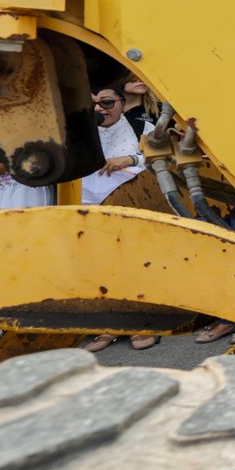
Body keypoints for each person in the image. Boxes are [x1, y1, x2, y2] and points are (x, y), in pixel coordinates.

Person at [79, 87, 151, 350]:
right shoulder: (81, 133)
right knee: (100, 266)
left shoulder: (141, 126)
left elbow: (161, 158)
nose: (101, 109)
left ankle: (142, 324)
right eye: (95, 104)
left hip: (132, 203)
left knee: (133, 262)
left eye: (107, 102)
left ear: (121, 103)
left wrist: (130, 159)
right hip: (89, 206)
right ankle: (109, 326)